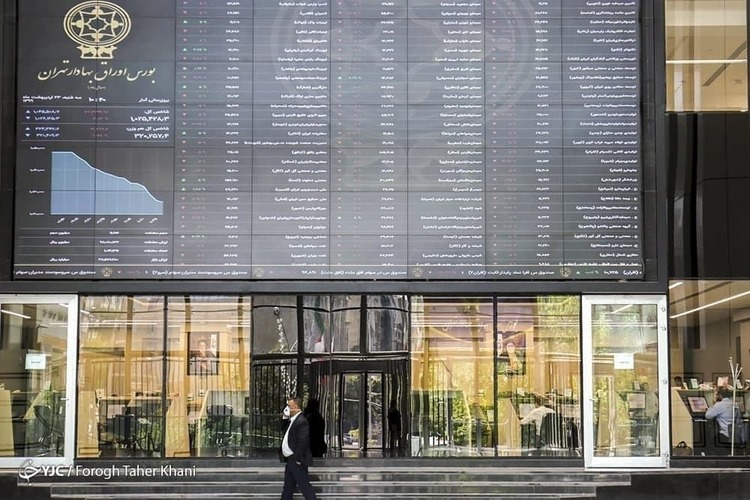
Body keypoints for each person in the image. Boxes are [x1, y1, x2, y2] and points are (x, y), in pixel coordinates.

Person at [279, 397, 317, 500]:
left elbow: (303, 441)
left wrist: (298, 459)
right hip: (290, 459)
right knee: (288, 487)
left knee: (304, 486)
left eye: (289, 406)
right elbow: (283, 429)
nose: (287, 408)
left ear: (295, 406)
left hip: (296, 460)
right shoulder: (292, 420)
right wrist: (284, 417)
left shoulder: (301, 421)